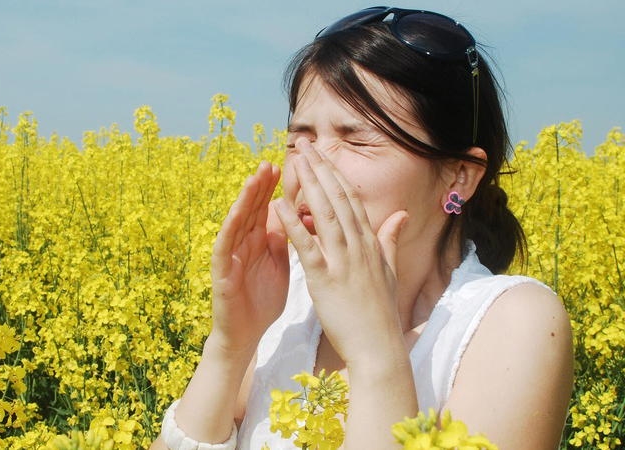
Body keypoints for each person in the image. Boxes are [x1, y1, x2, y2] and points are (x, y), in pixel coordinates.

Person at [150, 6, 574, 450]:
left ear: (459, 177)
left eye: (356, 140)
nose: (311, 166)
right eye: (299, 140)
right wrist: (230, 346)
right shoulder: (285, 302)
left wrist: (376, 358)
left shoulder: (513, 323)